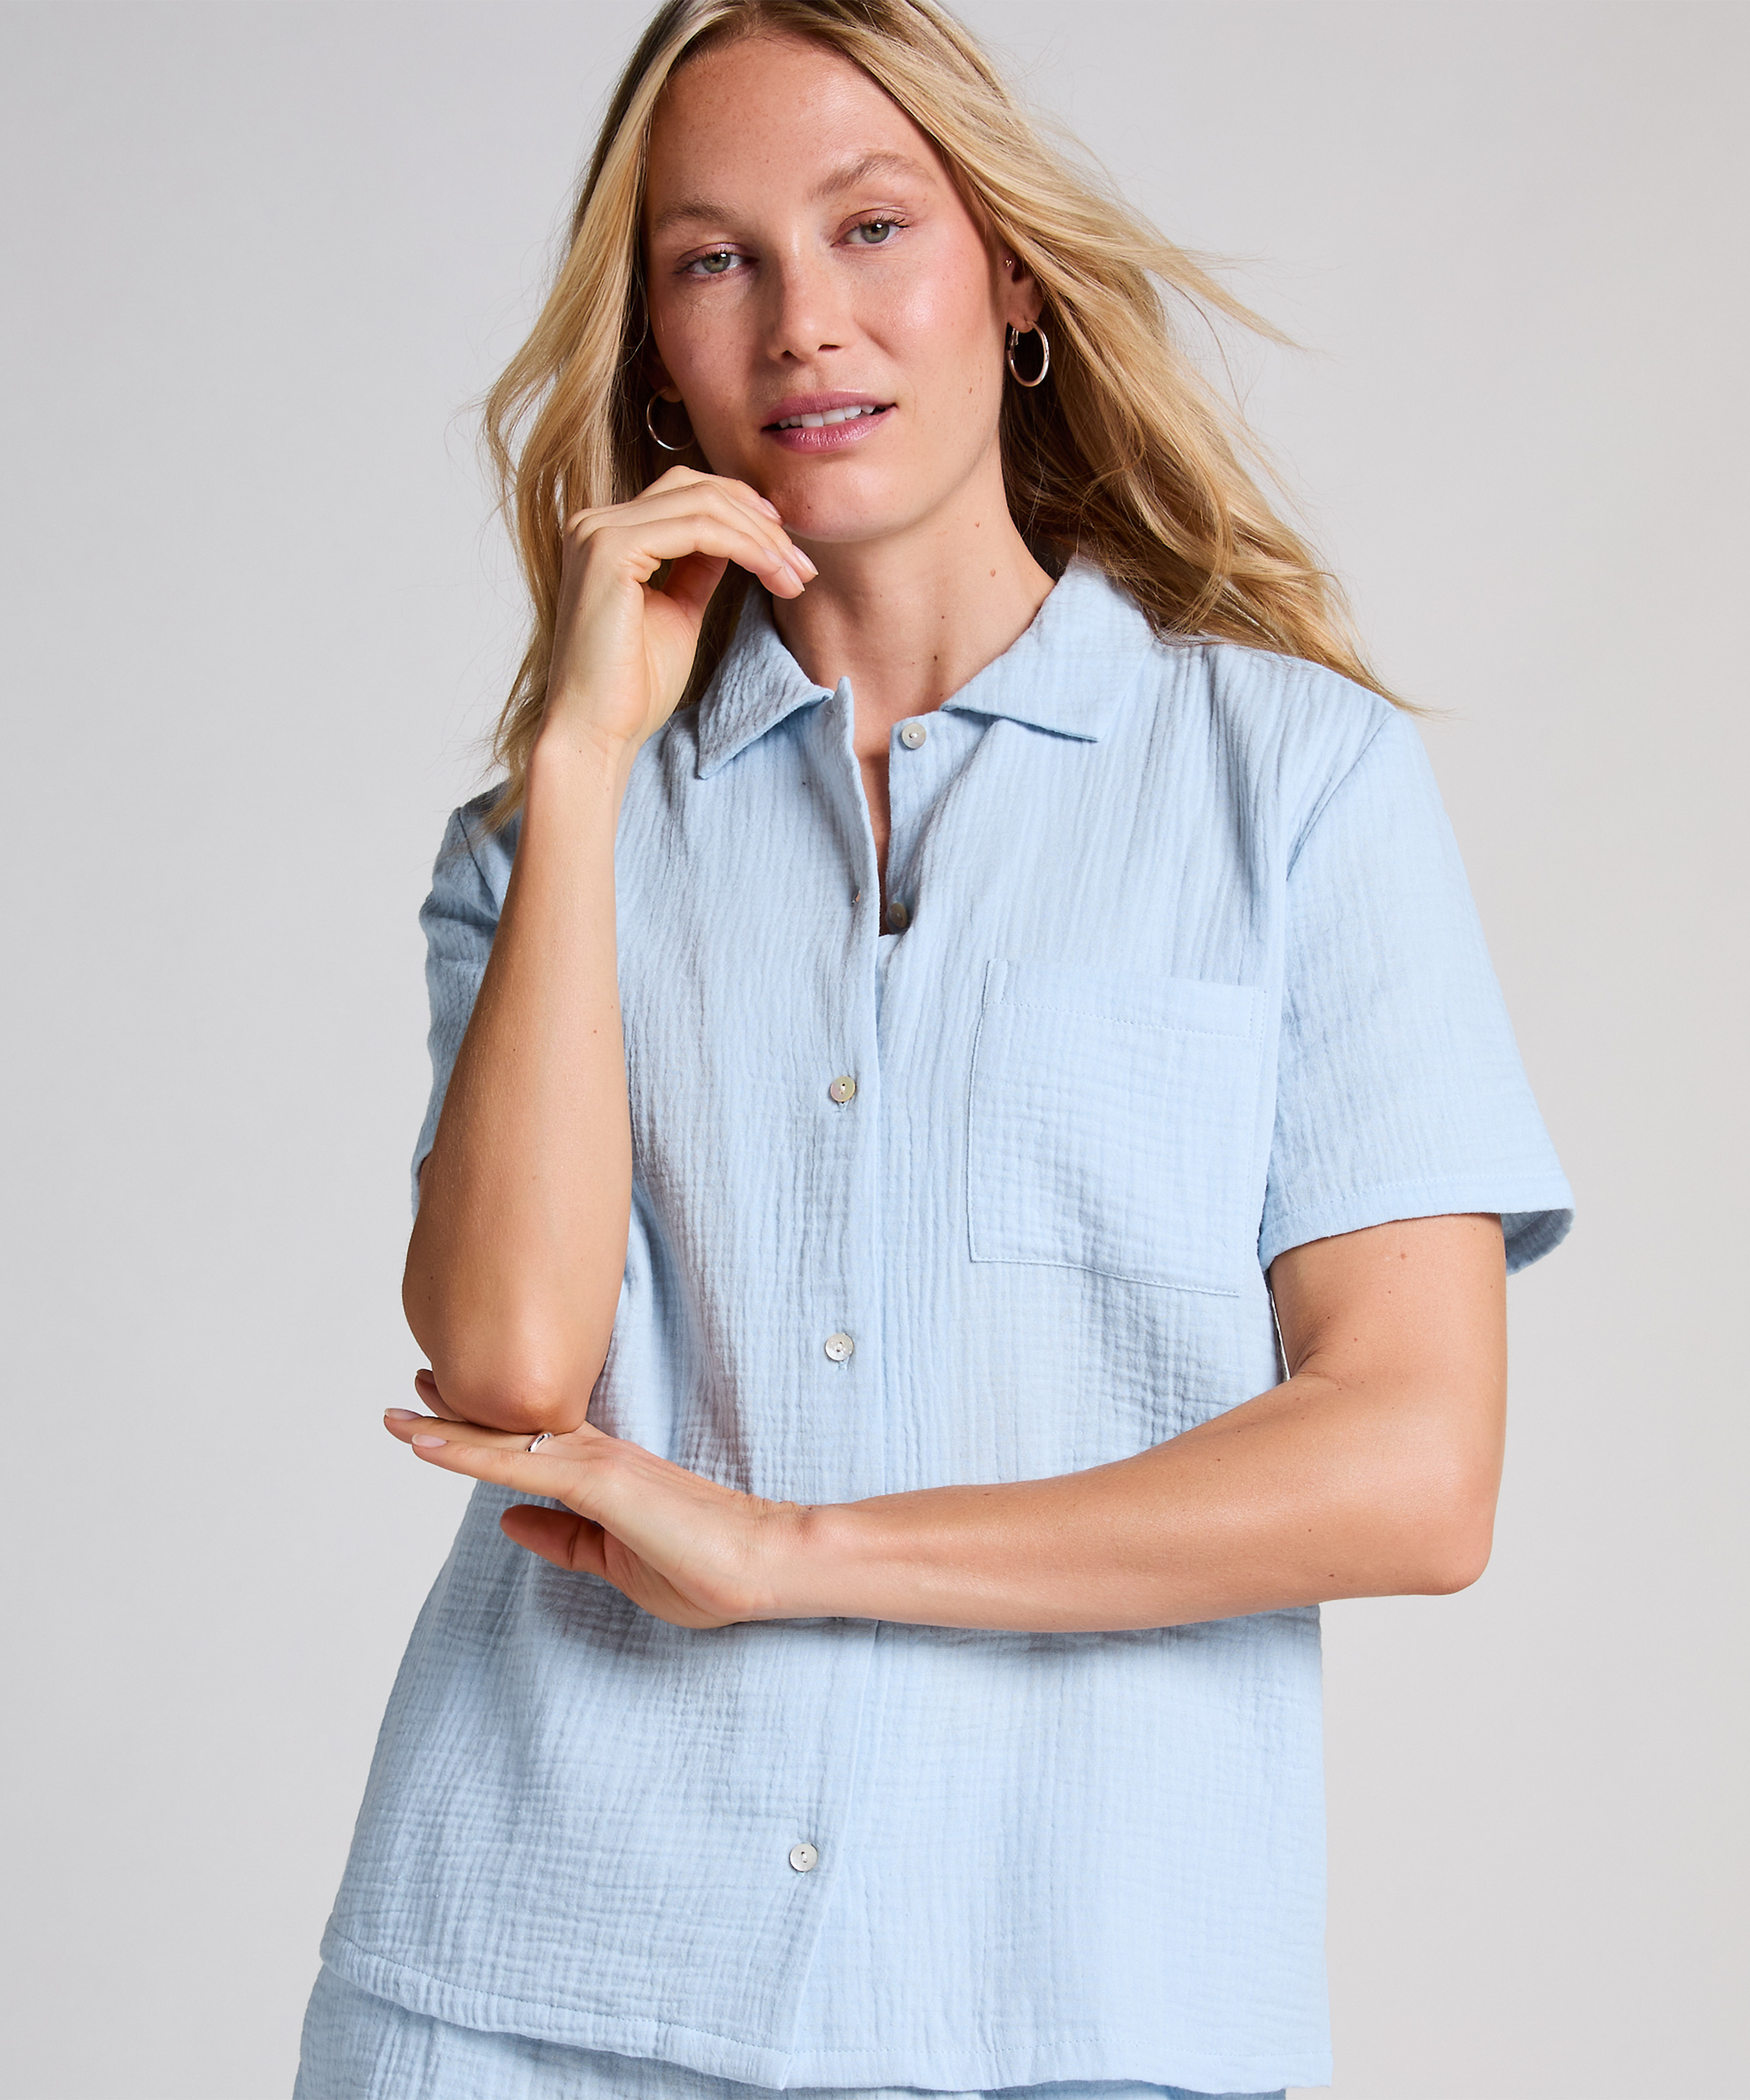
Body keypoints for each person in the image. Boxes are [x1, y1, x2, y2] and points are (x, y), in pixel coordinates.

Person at [295, 3, 1573, 2095]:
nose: (803, 319)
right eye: (714, 260)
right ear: (658, 349)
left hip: (1074, 2004)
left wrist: (798, 1559)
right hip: (538, 1988)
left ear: (1015, 277)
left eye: (871, 226)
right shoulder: (542, 844)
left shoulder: (1295, 788)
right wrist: (586, 766)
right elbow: (513, 1370)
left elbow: (1414, 1470)